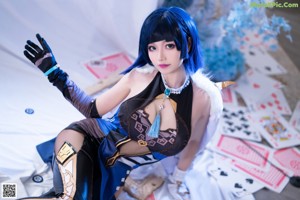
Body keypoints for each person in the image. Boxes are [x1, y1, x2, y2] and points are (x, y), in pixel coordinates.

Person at [22, 6, 223, 200]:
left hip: (110, 173)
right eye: (152, 47)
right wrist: (55, 73)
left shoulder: (203, 99)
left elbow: (194, 143)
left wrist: (178, 178)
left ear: (187, 44)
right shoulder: (138, 78)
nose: (160, 56)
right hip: (82, 140)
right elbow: (92, 110)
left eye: (169, 46)